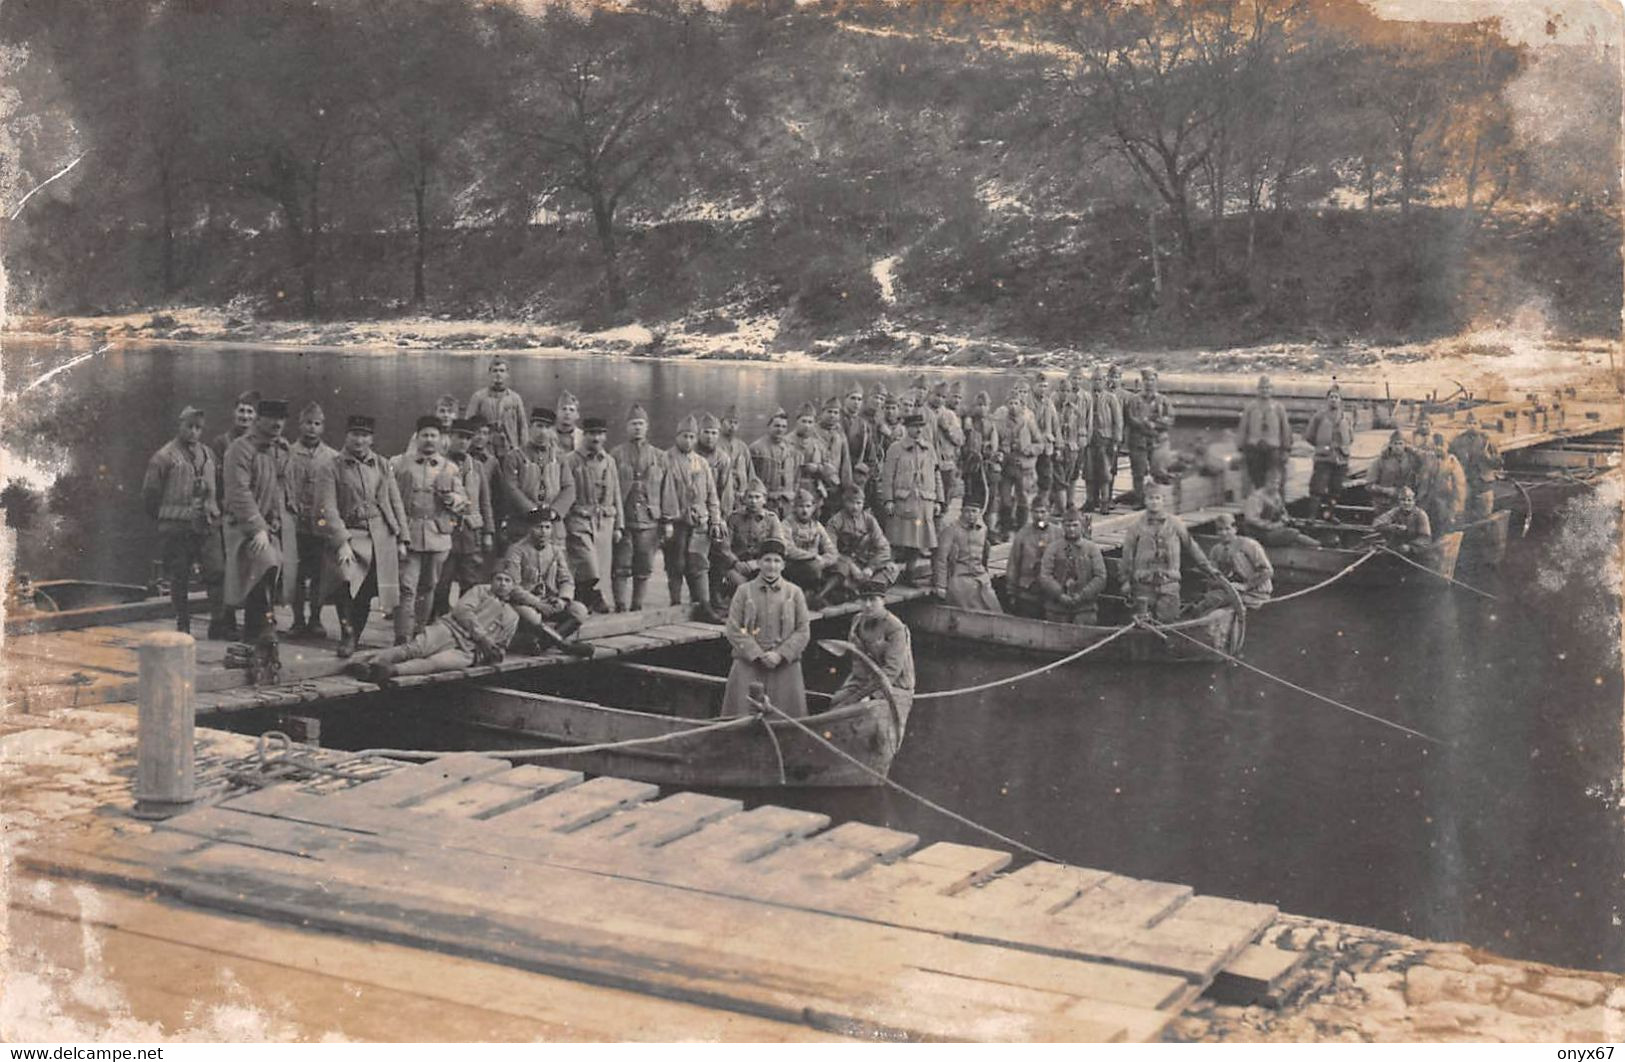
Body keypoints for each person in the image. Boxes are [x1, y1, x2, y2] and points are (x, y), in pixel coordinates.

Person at [314, 414, 408, 658]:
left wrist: (402, 538)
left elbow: (395, 501)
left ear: (371, 438)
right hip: (350, 533)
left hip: (380, 534)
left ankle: (355, 635)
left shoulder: (382, 464)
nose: (359, 440)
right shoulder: (331, 466)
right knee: (345, 582)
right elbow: (327, 507)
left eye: (365, 435)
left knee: (366, 590)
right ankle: (347, 634)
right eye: (355, 434)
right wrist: (342, 541)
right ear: (346, 436)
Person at [349, 569, 547, 681]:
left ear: (513, 586)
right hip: (450, 629)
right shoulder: (480, 591)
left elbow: (502, 644)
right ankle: (370, 663)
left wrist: (495, 653)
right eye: (499, 579)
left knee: (435, 664)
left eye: (507, 581)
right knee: (415, 648)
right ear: (492, 580)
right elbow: (462, 611)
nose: (502, 583)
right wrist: (482, 636)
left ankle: (390, 671)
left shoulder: (512, 615)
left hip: (469, 651)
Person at [142, 405, 223, 634]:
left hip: (207, 524)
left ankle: (218, 622)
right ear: (180, 425)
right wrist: (164, 517)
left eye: (198, 428)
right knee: (180, 576)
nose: (194, 432)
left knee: (217, 571)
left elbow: (218, 484)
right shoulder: (163, 457)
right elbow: (150, 494)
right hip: (177, 527)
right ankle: (183, 622)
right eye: (189, 427)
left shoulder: (208, 454)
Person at [222, 398, 295, 644]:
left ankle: (256, 627)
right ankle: (264, 623)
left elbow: (282, 488)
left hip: (273, 524)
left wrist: (281, 519)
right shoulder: (240, 449)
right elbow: (238, 492)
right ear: (258, 419)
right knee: (266, 561)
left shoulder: (282, 449)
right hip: (242, 525)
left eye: (282, 419)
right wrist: (257, 528)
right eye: (272, 418)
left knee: (279, 568)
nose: (277, 423)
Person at [393, 415, 468, 643]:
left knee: (428, 586)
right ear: (417, 438)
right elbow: (389, 495)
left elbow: (464, 500)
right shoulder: (399, 464)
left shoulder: (450, 467)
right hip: (409, 533)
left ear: (440, 439)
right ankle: (402, 636)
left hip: (437, 534)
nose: (428, 440)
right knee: (407, 586)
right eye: (424, 435)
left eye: (433, 435)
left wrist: (452, 499)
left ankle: (419, 632)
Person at [721, 538, 810, 719]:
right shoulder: (744, 591)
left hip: (784, 666)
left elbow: (803, 631)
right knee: (740, 717)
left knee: (788, 721)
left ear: (783, 565)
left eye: (777, 561)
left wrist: (780, 654)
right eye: (767, 560)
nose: (772, 565)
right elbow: (733, 628)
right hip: (749, 664)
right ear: (759, 563)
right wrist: (757, 654)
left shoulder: (794, 593)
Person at [500, 507, 594, 657]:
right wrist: (538, 604)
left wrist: (563, 599)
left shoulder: (555, 551)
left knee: (579, 611)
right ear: (529, 528)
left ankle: (541, 645)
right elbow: (513, 588)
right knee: (532, 616)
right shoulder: (516, 550)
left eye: (547, 527)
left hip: (549, 601)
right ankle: (564, 646)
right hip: (523, 603)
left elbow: (566, 580)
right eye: (539, 527)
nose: (543, 532)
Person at [282, 401, 339, 639]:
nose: (311, 429)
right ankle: (297, 619)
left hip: (320, 525)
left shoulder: (332, 457)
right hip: (295, 523)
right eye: (308, 423)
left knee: (319, 574)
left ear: (323, 427)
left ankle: (315, 618)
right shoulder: (287, 453)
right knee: (295, 574)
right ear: (299, 424)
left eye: (316, 424)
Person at [1119, 482, 1216, 622]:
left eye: (1158, 498)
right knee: (1144, 625)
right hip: (1143, 587)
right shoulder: (1135, 527)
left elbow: (1191, 547)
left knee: (1169, 624)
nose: (1154, 502)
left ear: (1164, 501)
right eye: (1150, 498)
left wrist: (1208, 569)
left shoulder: (1176, 524)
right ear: (1145, 501)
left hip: (1169, 585)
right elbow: (1127, 556)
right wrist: (1125, 581)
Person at [208, 389, 260, 640]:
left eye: (250, 411)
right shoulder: (222, 443)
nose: (245, 415)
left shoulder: (259, 443)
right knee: (227, 567)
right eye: (241, 410)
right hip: (226, 512)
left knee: (249, 566)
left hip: (250, 512)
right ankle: (224, 621)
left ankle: (251, 622)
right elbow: (216, 479)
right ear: (234, 412)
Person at [664, 413, 725, 622]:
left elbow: (712, 494)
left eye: (692, 437)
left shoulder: (701, 462)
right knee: (676, 564)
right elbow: (662, 492)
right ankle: (675, 605)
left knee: (699, 564)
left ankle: (703, 606)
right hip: (676, 521)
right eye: (684, 436)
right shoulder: (665, 459)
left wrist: (715, 520)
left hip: (700, 522)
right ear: (677, 436)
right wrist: (666, 520)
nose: (688, 441)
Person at [609, 403, 670, 613]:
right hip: (624, 518)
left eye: (641, 424)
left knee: (644, 565)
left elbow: (666, 491)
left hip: (649, 520)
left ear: (647, 427)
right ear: (627, 427)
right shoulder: (615, 455)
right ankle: (620, 605)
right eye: (633, 424)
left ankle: (637, 605)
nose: (637, 428)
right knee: (621, 565)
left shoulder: (660, 457)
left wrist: (667, 520)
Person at [432, 418, 495, 620]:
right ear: (449, 437)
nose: (463, 442)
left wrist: (488, 533)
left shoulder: (476, 467)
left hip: (470, 533)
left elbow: (485, 502)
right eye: (459, 437)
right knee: (442, 579)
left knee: (470, 581)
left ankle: (464, 620)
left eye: (468, 438)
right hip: (444, 530)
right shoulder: (438, 464)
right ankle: (437, 619)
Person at [563, 416, 624, 613]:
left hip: (605, 521)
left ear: (605, 436)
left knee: (601, 569)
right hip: (579, 519)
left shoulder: (609, 461)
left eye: (600, 434)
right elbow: (564, 491)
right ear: (584, 435)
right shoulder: (571, 460)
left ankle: (583, 606)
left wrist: (619, 525)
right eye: (591, 434)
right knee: (588, 565)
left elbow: (616, 493)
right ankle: (593, 599)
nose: (596, 438)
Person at [828, 578, 915, 713]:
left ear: (883, 601)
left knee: (860, 710)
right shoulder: (857, 621)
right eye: (864, 600)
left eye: (873, 599)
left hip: (894, 685)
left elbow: (892, 669)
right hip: (865, 680)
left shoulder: (895, 628)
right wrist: (855, 691)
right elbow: (857, 661)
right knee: (836, 702)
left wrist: (870, 695)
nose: (868, 605)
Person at [879, 410, 942, 583]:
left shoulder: (929, 449)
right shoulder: (895, 448)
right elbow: (887, 475)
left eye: (921, 427)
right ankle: (886, 576)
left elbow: (936, 475)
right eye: (914, 427)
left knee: (918, 540)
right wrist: (888, 499)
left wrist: (938, 499)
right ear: (907, 428)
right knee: (895, 540)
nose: (919, 430)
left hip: (924, 502)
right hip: (903, 502)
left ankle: (910, 573)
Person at [499, 407, 574, 547]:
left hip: (552, 527)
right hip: (522, 525)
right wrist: (531, 509)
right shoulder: (514, 456)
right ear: (530, 427)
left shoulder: (559, 457)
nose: (542, 432)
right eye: (539, 426)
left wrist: (554, 511)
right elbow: (510, 487)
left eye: (547, 427)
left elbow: (569, 487)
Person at [713, 478, 786, 605]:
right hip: (738, 566)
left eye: (757, 497)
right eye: (750, 497)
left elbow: (777, 547)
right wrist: (735, 563)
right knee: (740, 585)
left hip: (761, 567)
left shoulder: (772, 520)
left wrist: (758, 563)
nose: (753, 501)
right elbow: (725, 547)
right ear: (744, 499)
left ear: (764, 499)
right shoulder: (734, 518)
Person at [821, 484, 898, 604]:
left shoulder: (869, 520)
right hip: (845, 564)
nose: (855, 507)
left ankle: (867, 587)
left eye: (859, 503)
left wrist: (871, 568)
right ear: (844, 502)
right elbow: (831, 550)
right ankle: (863, 589)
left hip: (865, 563)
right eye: (851, 502)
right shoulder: (836, 521)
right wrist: (851, 565)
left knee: (892, 568)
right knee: (841, 571)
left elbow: (884, 547)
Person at [1038, 509, 1108, 625]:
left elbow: (1100, 577)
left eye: (1075, 525)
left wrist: (1082, 595)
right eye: (1068, 525)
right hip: (1057, 609)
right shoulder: (1053, 549)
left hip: (1085, 609)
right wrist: (1060, 594)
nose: (1071, 529)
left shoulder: (1092, 549)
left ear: (1082, 525)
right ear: (1062, 526)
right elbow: (1045, 575)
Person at [934, 503, 1002, 613]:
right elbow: (941, 558)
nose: (971, 515)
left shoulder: (982, 529)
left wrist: (985, 573)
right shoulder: (951, 529)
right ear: (961, 511)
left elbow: (984, 554)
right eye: (967, 511)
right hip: (959, 575)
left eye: (974, 511)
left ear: (979, 512)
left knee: (993, 607)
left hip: (980, 576)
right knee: (965, 608)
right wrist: (941, 585)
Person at [1198, 512, 1273, 611]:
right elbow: (1214, 575)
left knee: (1213, 600)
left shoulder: (1249, 545)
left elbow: (1267, 571)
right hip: (1232, 590)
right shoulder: (1216, 550)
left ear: (1235, 529)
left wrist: (1246, 586)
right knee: (1204, 599)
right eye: (1220, 530)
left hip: (1254, 593)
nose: (1223, 533)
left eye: (1227, 529)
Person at [1124, 368, 1174, 506]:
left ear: (1156, 381)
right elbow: (1131, 417)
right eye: (1146, 380)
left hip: (1157, 440)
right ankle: (1139, 499)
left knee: (1158, 470)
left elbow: (1170, 419)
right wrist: (1143, 424)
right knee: (1138, 472)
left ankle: (1157, 498)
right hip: (1139, 440)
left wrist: (1155, 424)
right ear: (1141, 382)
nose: (1149, 383)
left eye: (1152, 380)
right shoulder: (1134, 400)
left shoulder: (1163, 400)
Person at [1304, 387, 1354, 521]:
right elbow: (1309, 436)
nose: (1334, 400)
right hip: (1324, 458)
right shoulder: (1319, 417)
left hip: (1341, 459)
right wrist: (1323, 446)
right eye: (1331, 397)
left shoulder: (1346, 418)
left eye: (1336, 397)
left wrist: (1342, 448)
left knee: (1336, 489)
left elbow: (1351, 437)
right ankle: (1312, 516)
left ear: (1340, 400)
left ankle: (1330, 514)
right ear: (1327, 400)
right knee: (1317, 488)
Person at [781, 488, 839, 601]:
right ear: (794, 508)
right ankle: (805, 595)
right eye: (800, 506)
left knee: (841, 565)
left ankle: (820, 595)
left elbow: (831, 550)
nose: (804, 510)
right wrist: (812, 556)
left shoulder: (816, 525)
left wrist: (824, 560)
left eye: (808, 506)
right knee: (813, 568)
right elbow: (788, 549)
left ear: (813, 508)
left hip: (816, 564)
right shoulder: (787, 524)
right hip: (793, 565)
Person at [1238, 375, 1291, 495]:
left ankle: (1275, 506)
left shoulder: (1278, 407)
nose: (1265, 391)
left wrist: (1286, 449)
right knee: (1256, 478)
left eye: (1267, 388)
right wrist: (1241, 447)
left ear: (1271, 389)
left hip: (1273, 448)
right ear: (1258, 389)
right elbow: (1243, 427)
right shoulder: (1251, 407)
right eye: (1262, 388)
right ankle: (1259, 503)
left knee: (1274, 477)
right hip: (1254, 446)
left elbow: (1285, 429)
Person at [465, 356, 527, 456]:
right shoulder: (478, 397)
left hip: (510, 448)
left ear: (507, 374)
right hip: (486, 450)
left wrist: (522, 450)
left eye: (502, 371)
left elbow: (522, 426)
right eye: (495, 371)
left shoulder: (515, 398)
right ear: (489, 374)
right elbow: (468, 424)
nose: (498, 374)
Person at [1003, 501, 1055, 618]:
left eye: (1043, 512)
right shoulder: (1023, 534)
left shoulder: (1058, 534)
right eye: (1036, 512)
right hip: (1028, 589)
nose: (1039, 516)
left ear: (1049, 512)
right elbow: (1013, 563)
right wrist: (1011, 591)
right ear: (1031, 513)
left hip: (1052, 591)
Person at [960, 389, 1001, 531]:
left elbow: (995, 445)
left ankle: (990, 529)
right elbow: (964, 445)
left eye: (985, 405)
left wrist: (991, 451)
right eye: (979, 405)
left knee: (992, 498)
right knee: (971, 497)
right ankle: (968, 525)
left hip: (989, 467)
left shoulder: (992, 424)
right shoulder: (968, 423)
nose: (982, 408)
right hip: (972, 468)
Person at [1449, 412, 1502, 519]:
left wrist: (1488, 457)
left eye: (1475, 423)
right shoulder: (1458, 441)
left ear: (1480, 425)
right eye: (1469, 423)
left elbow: (1498, 463)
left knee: (1485, 515)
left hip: (1483, 485)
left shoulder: (1487, 440)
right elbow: (1451, 460)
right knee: (1465, 515)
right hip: (1466, 484)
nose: (1472, 426)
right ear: (1465, 425)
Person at [1086, 366, 1124, 513]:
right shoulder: (1086, 397)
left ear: (1105, 381)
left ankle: (1105, 502)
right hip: (1090, 439)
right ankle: (1090, 501)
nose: (1097, 383)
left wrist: (1116, 441)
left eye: (1100, 380)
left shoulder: (1110, 398)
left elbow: (1118, 421)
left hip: (1105, 439)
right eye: (1095, 380)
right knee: (1089, 472)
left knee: (1104, 472)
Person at [750, 407, 799, 519]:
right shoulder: (756, 448)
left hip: (787, 503)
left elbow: (796, 474)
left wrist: (792, 493)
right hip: (766, 502)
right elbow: (751, 476)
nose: (780, 430)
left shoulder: (791, 449)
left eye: (783, 427)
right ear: (768, 426)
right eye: (776, 426)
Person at [697, 410, 747, 517]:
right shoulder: (690, 455)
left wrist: (722, 517)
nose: (709, 437)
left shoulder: (722, 458)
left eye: (713, 433)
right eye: (706, 432)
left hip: (716, 509)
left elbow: (726, 491)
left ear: (718, 434)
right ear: (699, 433)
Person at [1419, 432, 1467, 539]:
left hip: (1445, 503)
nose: (1438, 448)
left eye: (1442, 445)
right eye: (1436, 445)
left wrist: (1455, 511)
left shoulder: (1452, 462)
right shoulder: (1429, 459)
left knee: (1444, 529)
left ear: (1447, 446)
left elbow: (1459, 489)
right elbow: (1424, 482)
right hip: (1430, 502)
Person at [1241, 482, 1319, 547]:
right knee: (1292, 533)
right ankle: (1317, 545)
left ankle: (1316, 545)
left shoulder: (1276, 495)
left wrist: (1284, 518)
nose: (1276, 486)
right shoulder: (1256, 497)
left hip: (1274, 529)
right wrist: (1273, 525)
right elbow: (1251, 519)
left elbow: (1283, 511)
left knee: (1295, 536)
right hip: (1260, 534)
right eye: (1273, 482)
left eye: (1277, 483)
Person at [926, 380, 965, 508]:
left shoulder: (949, 415)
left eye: (943, 397)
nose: (939, 399)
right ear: (930, 393)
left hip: (945, 464)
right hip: (926, 462)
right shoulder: (922, 412)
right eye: (937, 395)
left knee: (945, 499)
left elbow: (960, 440)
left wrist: (947, 429)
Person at [1372, 487, 1433, 555]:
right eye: (1403, 500)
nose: (1406, 503)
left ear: (1414, 502)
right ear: (1399, 502)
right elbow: (1377, 523)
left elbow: (1425, 538)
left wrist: (1410, 547)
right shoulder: (1395, 512)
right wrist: (1393, 527)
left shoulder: (1420, 515)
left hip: (1416, 551)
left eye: (1409, 500)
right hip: (1396, 549)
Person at [1366, 430, 1417, 506]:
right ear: (1390, 445)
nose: (1397, 447)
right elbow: (1369, 486)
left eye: (1400, 443)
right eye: (1395, 444)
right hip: (1384, 503)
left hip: (1406, 503)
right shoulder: (1380, 461)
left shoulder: (1411, 460)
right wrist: (1386, 490)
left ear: (1405, 445)